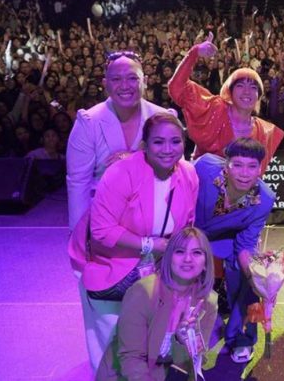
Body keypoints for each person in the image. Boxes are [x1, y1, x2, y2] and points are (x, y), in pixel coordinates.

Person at [66, 51, 174, 369]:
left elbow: (174, 171)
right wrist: (80, 239)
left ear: (145, 81)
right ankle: (107, 368)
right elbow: (77, 182)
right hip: (103, 228)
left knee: (151, 302)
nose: (124, 85)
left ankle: (146, 364)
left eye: (132, 78)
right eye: (116, 78)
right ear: (105, 84)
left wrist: (133, 160)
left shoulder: (163, 117)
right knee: (103, 306)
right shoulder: (89, 122)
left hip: (152, 225)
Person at [69, 112, 199, 371]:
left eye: (175, 141)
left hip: (155, 270)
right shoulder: (121, 172)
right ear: (145, 145)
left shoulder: (189, 174)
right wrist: (150, 245)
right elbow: (102, 231)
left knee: (145, 344)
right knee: (110, 345)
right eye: (158, 142)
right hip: (109, 265)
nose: (167, 149)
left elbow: (187, 226)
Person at [97, 227, 218, 381]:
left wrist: (181, 342)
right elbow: (131, 358)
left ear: (206, 262)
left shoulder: (208, 302)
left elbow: (191, 363)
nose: (188, 259)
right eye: (180, 251)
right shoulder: (143, 292)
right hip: (123, 375)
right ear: (169, 258)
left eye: (196, 252)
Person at [194, 138, 275, 364]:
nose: (244, 173)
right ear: (226, 164)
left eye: (252, 166)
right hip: (186, 231)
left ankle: (242, 339)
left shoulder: (265, 198)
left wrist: (255, 277)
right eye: (237, 165)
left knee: (249, 278)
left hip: (225, 239)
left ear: (260, 168)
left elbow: (246, 244)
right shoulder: (204, 167)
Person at [168, 32, 284, 172]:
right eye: (240, 85)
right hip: (203, 187)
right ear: (230, 91)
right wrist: (194, 53)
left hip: (241, 192)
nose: (247, 91)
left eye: (253, 87)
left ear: (258, 96)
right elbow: (176, 88)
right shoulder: (214, 107)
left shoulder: (265, 131)